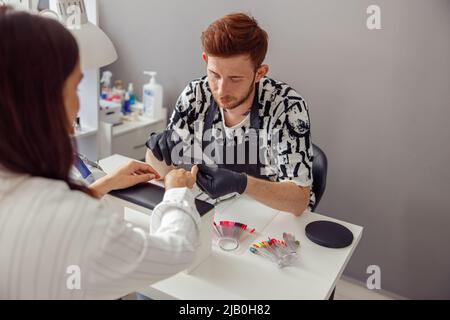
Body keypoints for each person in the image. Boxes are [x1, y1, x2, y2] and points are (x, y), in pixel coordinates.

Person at [0, 7, 200, 300]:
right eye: (76, 87)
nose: (78, 107)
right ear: (44, 100)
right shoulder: (77, 225)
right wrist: (177, 193)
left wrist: (106, 183)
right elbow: (176, 250)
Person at [146, 13, 314, 216]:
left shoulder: (286, 106)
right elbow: (160, 173)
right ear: (205, 60)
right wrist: (157, 150)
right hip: (212, 210)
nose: (221, 90)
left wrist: (241, 183)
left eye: (235, 78)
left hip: (268, 216)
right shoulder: (196, 95)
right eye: (215, 75)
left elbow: (299, 201)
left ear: (259, 73)